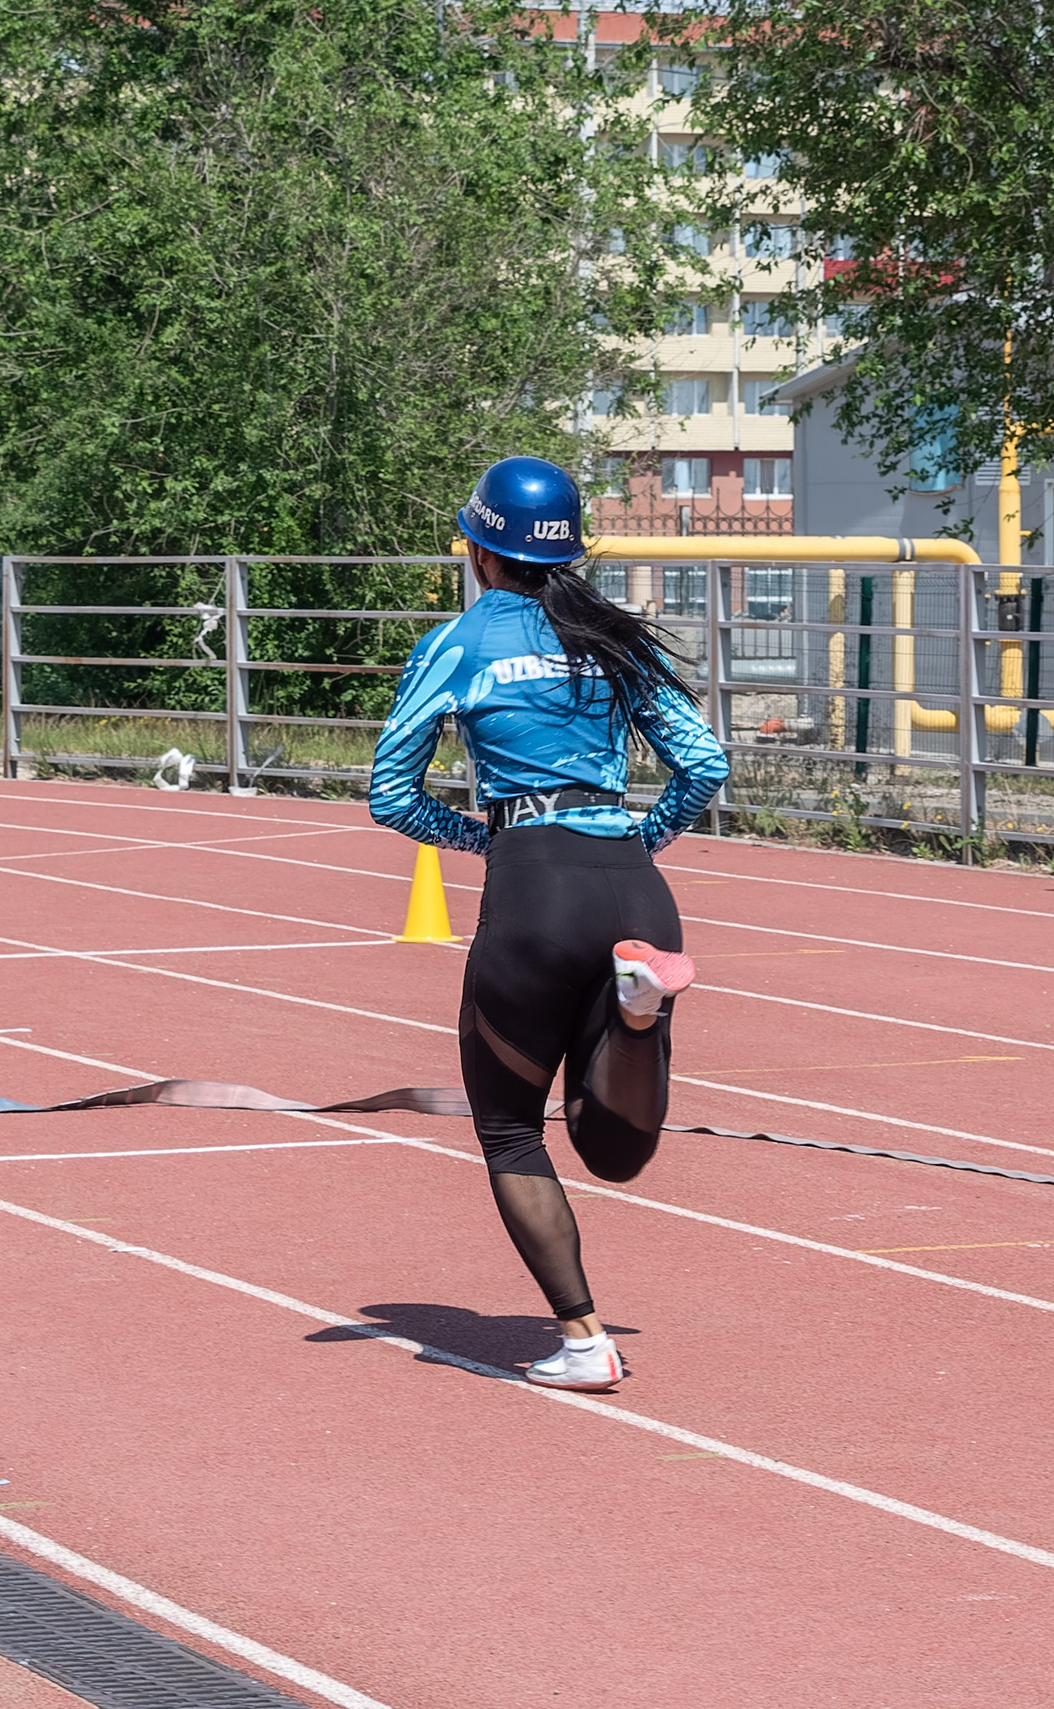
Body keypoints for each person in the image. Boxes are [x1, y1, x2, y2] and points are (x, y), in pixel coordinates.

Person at [370, 456, 728, 1392]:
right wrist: (639, 841)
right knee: (613, 1147)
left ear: (480, 549)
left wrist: (485, 841)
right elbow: (704, 764)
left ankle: (582, 1340)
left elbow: (389, 793)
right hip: (634, 888)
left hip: (535, 883)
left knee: (511, 1130)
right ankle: (638, 1012)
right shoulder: (611, 636)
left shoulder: (458, 640)